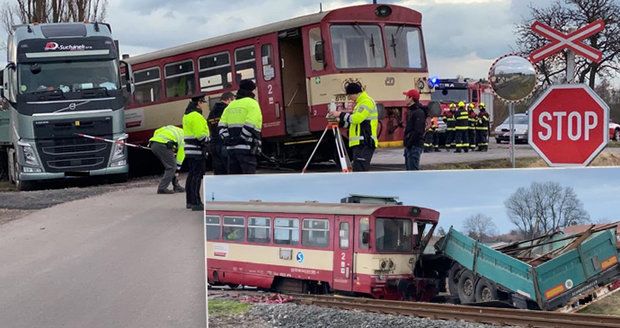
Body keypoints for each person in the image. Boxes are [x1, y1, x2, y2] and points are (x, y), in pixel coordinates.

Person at [331, 82, 378, 172]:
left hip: (365, 142)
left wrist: (340, 114)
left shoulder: (366, 102)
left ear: (355, 93)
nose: (350, 99)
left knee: (360, 171)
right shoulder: (360, 104)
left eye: (349, 96)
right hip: (360, 143)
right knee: (357, 170)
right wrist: (339, 122)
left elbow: (356, 119)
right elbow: (354, 124)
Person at [219, 79, 263, 174]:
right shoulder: (252, 104)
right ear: (251, 90)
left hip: (231, 150)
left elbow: (221, 127)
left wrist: (229, 140)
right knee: (248, 180)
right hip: (247, 148)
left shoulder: (230, 106)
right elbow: (251, 124)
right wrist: (242, 138)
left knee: (235, 180)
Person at [183, 93, 210, 211]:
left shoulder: (187, 115)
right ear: (199, 103)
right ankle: (196, 202)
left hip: (189, 150)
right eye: (203, 102)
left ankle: (190, 201)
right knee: (197, 176)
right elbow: (200, 135)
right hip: (197, 150)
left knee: (192, 175)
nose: (204, 105)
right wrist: (209, 140)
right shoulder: (196, 116)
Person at [149, 125, 185, 194]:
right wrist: (177, 168)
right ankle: (162, 188)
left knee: (171, 166)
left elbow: (157, 131)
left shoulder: (174, 129)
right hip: (162, 145)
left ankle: (176, 186)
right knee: (172, 167)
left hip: (154, 143)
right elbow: (180, 156)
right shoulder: (184, 139)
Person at [207, 92, 235, 175]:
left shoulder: (212, 112)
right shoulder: (227, 110)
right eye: (233, 100)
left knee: (218, 170)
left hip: (213, 144)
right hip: (224, 143)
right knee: (229, 169)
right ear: (229, 99)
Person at [403, 89, 426, 170]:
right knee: (409, 171)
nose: (405, 99)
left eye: (406, 97)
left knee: (413, 172)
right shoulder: (412, 111)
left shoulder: (418, 112)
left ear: (411, 98)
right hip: (410, 146)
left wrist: (409, 142)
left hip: (414, 146)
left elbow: (418, 131)